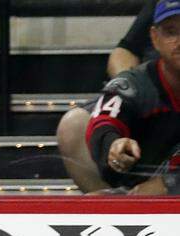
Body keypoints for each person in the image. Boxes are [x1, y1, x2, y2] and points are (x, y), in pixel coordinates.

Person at [58, 0, 158, 192]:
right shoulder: (162, 5)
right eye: (170, 31)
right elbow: (123, 52)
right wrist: (133, 90)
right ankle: (113, 205)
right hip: (148, 97)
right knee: (74, 124)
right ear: (156, 36)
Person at [85, 1, 180, 195]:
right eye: (171, 32)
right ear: (155, 38)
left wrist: (169, 185)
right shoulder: (135, 83)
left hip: (165, 183)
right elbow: (104, 122)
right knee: (95, 199)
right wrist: (114, 145)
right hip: (140, 182)